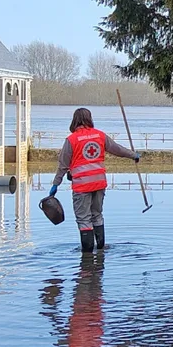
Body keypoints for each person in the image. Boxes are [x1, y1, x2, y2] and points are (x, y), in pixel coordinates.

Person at [50, 108, 140, 252]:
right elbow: (117, 149)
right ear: (89, 119)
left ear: (74, 120)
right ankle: (101, 250)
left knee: (84, 219)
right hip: (99, 183)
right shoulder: (100, 135)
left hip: (82, 186)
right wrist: (133, 155)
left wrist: (55, 185)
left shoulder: (71, 140)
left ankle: (87, 258)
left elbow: (63, 165)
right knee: (97, 215)